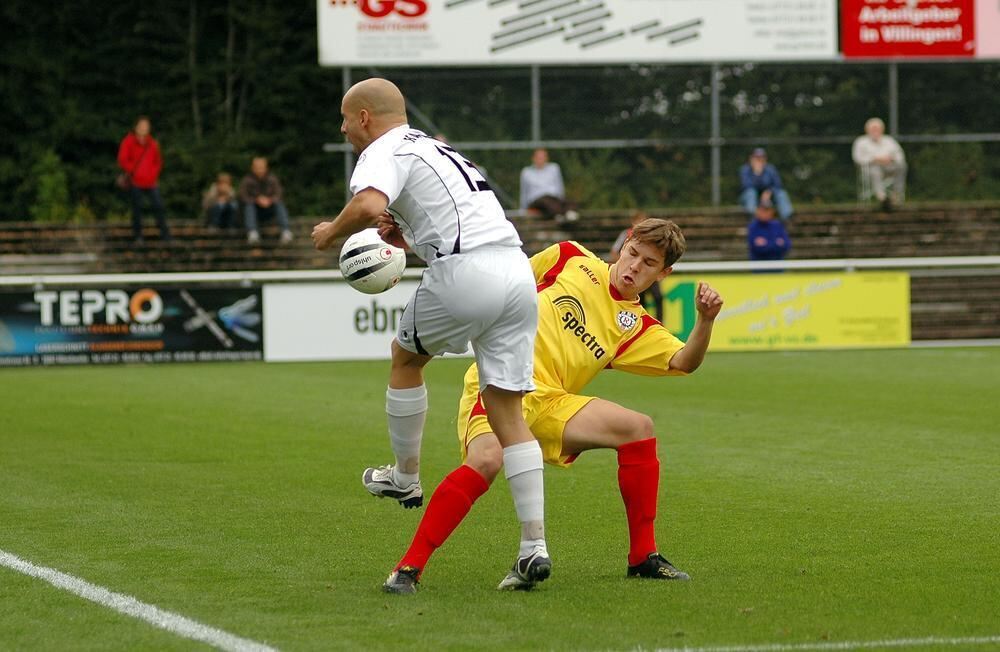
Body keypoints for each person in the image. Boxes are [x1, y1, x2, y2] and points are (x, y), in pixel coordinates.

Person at [383, 219, 724, 594]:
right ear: (623, 244)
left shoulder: (636, 327)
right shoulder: (569, 257)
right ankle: (408, 567)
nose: (634, 268)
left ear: (664, 273)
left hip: (552, 401)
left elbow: (683, 361)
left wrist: (705, 321)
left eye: (648, 264)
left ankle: (643, 557)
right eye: (633, 254)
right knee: (486, 460)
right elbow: (502, 280)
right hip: (498, 383)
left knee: (638, 428)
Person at [310, 78, 551, 591]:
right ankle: (534, 547)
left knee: (404, 357)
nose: (344, 127)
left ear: (366, 118)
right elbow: (451, 215)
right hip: (515, 268)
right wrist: (409, 235)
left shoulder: (382, 148)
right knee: (507, 413)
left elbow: (371, 204)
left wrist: (330, 232)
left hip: (467, 273)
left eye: (345, 118)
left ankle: (404, 476)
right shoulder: (435, 145)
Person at [117, 116, 171, 243]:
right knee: (137, 208)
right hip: (136, 181)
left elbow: (158, 162)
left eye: (146, 126)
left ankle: (165, 234)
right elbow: (123, 159)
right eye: (141, 125)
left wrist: (153, 174)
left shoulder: (152, 143)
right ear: (136, 127)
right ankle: (138, 236)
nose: (143, 128)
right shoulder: (128, 141)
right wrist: (133, 172)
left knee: (158, 206)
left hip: (151, 182)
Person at [610, 210, 663, 322]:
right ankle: (639, 322)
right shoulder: (626, 234)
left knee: (658, 297)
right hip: (635, 274)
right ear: (633, 222)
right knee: (641, 300)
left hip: (649, 275)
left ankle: (660, 323)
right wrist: (622, 264)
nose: (641, 223)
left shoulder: (653, 237)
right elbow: (614, 251)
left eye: (643, 221)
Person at [852, 117, 907, 210]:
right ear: (867, 130)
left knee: (901, 166)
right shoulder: (861, 142)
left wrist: (891, 159)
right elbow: (857, 158)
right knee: (875, 169)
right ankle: (882, 197)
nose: (875, 131)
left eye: (877, 128)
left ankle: (896, 196)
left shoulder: (889, 141)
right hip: (870, 170)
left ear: (882, 129)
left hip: (889, 168)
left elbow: (900, 156)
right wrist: (874, 159)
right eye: (873, 129)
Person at [239, 157, 293, 244]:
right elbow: (242, 196)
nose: (259, 169)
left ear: (266, 168)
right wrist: (257, 200)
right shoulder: (246, 180)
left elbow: (279, 194)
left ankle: (286, 231)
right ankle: (252, 233)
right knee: (249, 205)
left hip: (269, 209)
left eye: (261, 167)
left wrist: (269, 200)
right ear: (252, 168)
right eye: (257, 167)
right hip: (254, 210)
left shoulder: (272, 179)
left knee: (279, 203)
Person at [519, 148, 579, 222]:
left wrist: (561, 200)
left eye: (543, 157)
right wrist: (523, 209)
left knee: (570, 201)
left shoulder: (554, 168)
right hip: (537, 201)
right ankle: (563, 214)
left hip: (553, 200)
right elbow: (524, 192)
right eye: (538, 157)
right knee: (545, 200)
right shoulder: (526, 172)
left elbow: (559, 186)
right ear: (533, 158)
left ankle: (565, 215)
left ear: (547, 158)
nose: (540, 160)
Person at [739, 148, 793, 221]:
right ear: (751, 158)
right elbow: (746, 186)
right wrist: (757, 174)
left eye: (761, 157)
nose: (759, 160)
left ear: (765, 159)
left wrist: (769, 192)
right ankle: (752, 217)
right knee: (750, 193)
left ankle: (787, 218)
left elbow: (778, 185)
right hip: (751, 199)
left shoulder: (771, 169)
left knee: (781, 194)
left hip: (769, 197)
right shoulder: (745, 169)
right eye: (757, 157)